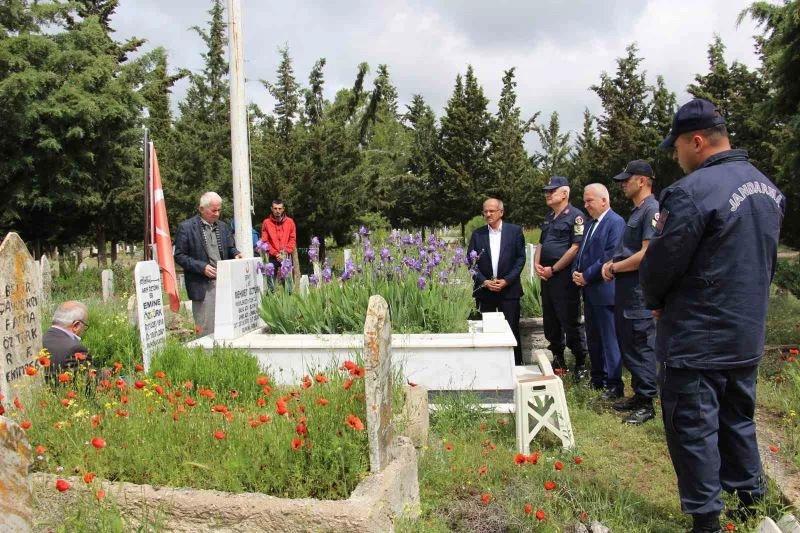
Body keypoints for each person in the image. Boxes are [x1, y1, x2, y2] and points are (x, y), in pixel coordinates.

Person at [640, 98, 784, 532]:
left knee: (693, 427)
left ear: (697, 141)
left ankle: (706, 520)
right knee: (738, 419)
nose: (676, 156)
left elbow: (661, 265)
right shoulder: (767, 188)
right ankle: (749, 504)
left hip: (697, 337)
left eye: (677, 147)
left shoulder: (690, 193)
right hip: (744, 333)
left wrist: (656, 300)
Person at [601, 160, 659, 424]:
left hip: (638, 292)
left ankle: (647, 402)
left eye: (628, 179)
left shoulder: (652, 210)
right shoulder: (636, 211)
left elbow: (648, 254)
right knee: (629, 345)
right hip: (625, 291)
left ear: (643, 180)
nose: (623, 184)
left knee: (641, 344)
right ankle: (638, 393)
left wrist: (615, 267)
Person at [572, 184, 625, 398]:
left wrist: (586, 275)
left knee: (609, 340)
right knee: (593, 338)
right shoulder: (591, 223)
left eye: (589, 201)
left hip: (604, 290)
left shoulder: (615, 222)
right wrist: (577, 271)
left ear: (604, 200)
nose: (585, 205)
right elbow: (583, 251)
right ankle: (598, 378)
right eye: (584, 201)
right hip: (590, 291)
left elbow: (609, 255)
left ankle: (614, 384)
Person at [533, 176, 589, 380]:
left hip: (563, 278)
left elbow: (575, 247)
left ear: (564, 193)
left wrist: (554, 269)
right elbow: (541, 243)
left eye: (552, 191)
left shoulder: (576, 217)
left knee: (569, 319)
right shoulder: (549, 217)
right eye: (547, 191)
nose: (548, 194)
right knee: (551, 319)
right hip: (547, 277)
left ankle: (580, 362)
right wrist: (537, 264)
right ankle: (558, 358)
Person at [467, 198, 526, 365]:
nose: (488, 214)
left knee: (511, 328)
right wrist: (484, 281)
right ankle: (489, 365)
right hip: (486, 291)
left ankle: (515, 365)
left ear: (501, 212)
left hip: (509, 290)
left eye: (491, 211)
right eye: (485, 211)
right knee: (487, 330)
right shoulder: (478, 234)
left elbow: (521, 259)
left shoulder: (514, 232)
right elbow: (470, 262)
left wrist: (507, 280)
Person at [174, 191, 241, 335]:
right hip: (202, 285)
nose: (217, 214)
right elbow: (179, 256)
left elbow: (230, 248)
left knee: (226, 327)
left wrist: (236, 254)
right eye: (213, 210)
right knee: (205, 329)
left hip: (224, 282)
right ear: (202, 209)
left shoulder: (223, 227)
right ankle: (205, 356)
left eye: (219, 210)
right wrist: (201, 267)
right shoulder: (186, 228)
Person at [42, 300, 91, 378]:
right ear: (76, 325)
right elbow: (85, 382)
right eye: (84, 327)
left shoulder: (40, 339)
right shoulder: (75, 349)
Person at [260, 199, 297, 289]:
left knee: (288, 287)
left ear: (283, 209)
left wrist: (285, 252)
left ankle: (288, 301)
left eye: (280, 208)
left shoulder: (290, 222)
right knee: (271, 285)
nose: (277, 211)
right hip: (272, 256)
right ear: (271, 209)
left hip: (286, 257)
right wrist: (276, 253)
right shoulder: (266, 223)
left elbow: (292, 239)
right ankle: (272, 301)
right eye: (275, 208)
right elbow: (265, 241)